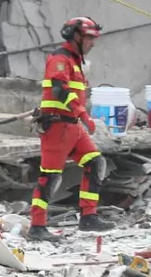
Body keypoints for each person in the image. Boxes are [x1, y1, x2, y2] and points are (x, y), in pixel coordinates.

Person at [29, 15, 113, 240]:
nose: (92, 43)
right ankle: (37, 226)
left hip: (72, 127)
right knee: (50, 176)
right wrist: (84, 115)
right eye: (89, 38)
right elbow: (59, 89)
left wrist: (81, 118)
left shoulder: (75, 61)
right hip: (57, 126)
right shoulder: (60, 58)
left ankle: (88, 217)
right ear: (76, 36)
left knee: (95, 163)